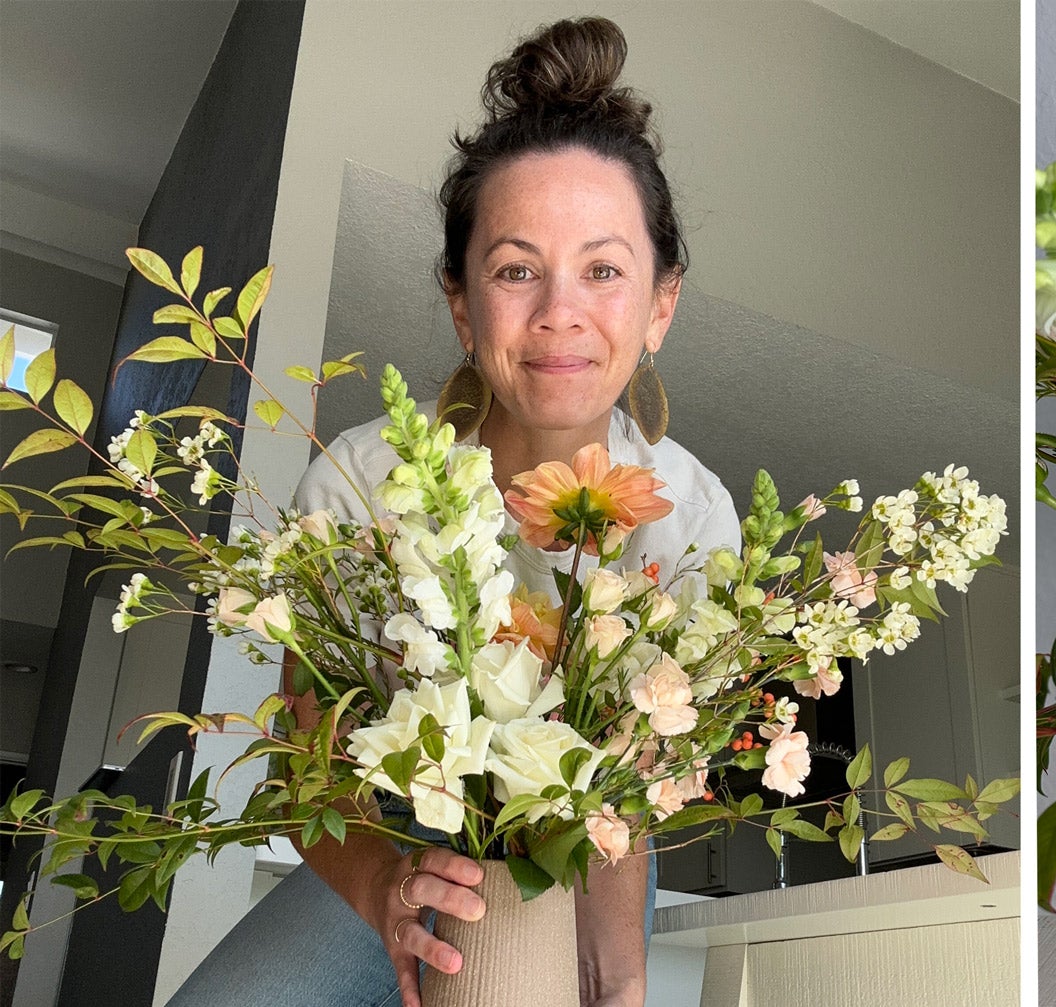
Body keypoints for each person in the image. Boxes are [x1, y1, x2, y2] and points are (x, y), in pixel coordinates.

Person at [167, 17, 737, 1007]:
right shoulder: (360, 485)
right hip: (391, 829)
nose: (561, 309)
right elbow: (310, 751)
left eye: (603, 270)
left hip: (575, 841)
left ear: (660, 306)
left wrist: (618, 979)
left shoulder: (691, 517)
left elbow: (629, 801)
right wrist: (387, 884)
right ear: (464, 305)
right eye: (517, 269)